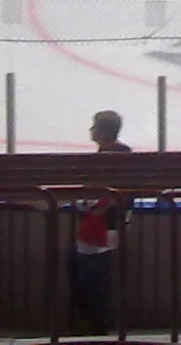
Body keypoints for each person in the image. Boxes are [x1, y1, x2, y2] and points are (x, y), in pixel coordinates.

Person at [69, 111, 133, 331]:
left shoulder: (116, 155)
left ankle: (96, 322)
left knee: (92, 276)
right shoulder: (112, 153)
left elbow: (120, 191)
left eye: (94, 126)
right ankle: (93, 320)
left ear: (104, 131)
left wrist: (96, 208)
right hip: (103, 225)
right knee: (85, 272)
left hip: (106, 227)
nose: (91, 130)